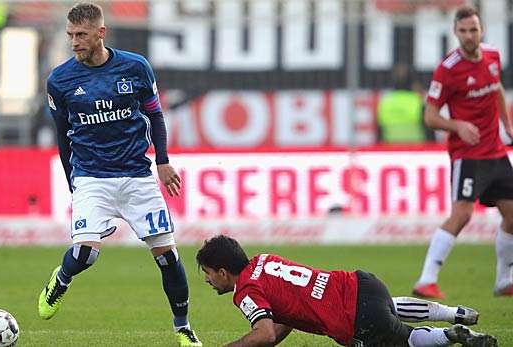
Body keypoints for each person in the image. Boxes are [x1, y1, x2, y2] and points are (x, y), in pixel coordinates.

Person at [37, 3, 201, 347]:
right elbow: (62, 136)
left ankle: (183, 328)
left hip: (137, 176)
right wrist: (73, 181)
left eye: (81, 35)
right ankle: (61, 280)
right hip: (92, 178)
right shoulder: (60, 81)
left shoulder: (136, 67)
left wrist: (163, 161)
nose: (74, 42)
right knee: (86, 253)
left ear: (101, 33)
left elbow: (155, 116)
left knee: (168, 256)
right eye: (70, 36)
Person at [196, 235, 497, 347]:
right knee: (388, 306)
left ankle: (450, 335)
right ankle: (451, 312)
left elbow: (265, 334)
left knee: (405, 339)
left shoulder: (244, 291)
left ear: (223, 272)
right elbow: (288, 314)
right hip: (362, 284)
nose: (209, 281)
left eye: (209, 275)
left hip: (356, 318)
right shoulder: (264, 260)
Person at [412, 5, 513, 299]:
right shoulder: (448, 69)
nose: (469, 36)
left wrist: (507, 125)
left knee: (512, 214)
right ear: (455, 33)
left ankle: (504, 281)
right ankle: (426, 279)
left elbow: (496, 90)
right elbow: (430, 116)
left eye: (473, 30)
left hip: (495, 152)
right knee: (462, 214)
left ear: (481, 30)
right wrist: (457, 125)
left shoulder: (492, 57)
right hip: (467, 156)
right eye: (463, 31)